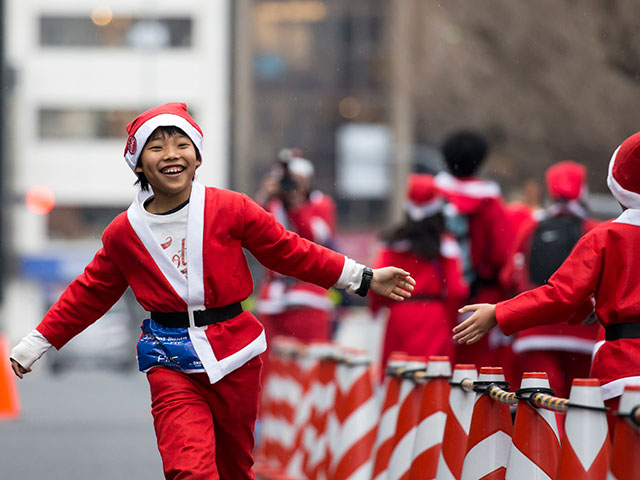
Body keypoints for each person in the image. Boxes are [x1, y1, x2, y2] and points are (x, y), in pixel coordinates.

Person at [8, 103, 416, 480]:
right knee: (189, 468)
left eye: (182, 144)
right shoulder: (124, 232)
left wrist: (363, 277)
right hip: (168, 357)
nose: (171, 154)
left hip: (236, 351)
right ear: (139, 164)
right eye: (156, 147)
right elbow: (90, 292)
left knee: (234, 467)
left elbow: (289, 251)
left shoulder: (231, 208)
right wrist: (36, 342)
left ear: (198, 157)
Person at [454, 131, 640, 432]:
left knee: (557, 410)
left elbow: (561, 295)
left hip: (622, 368)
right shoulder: (591, 227)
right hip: (583, 344)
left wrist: (499, 313)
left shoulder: (603, 237)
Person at [500, 160, 601, 400]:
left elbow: (508, 277)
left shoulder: (531, 227)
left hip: (536, 329)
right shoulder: (594, 229)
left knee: (545, 400)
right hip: (583, 333)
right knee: (579, 403)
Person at [434, 130, 515, 378]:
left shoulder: (434, 196)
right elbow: (503, 251)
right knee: (479, 372)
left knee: (439, 367)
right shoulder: (490, 202)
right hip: (482, 296)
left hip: (439, 294)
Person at [369, 174, 468, 376]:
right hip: (434, 317)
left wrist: (377, 308)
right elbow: (456, 290)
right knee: (433, 386)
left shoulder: (392, 242)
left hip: (399, 314)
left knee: (397, 384)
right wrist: (450, 322)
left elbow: (377, 282)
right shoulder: (445, 244)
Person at [254, 149, 338, 371]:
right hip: (273, 299)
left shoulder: (320, 203)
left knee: (311, 367)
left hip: (309, 296)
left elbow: (316, 238)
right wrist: (265, 196)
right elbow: (251, 232)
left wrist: (296, 205)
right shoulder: (272, 203)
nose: (294, 186)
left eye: (299, 181)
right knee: (268, 370)